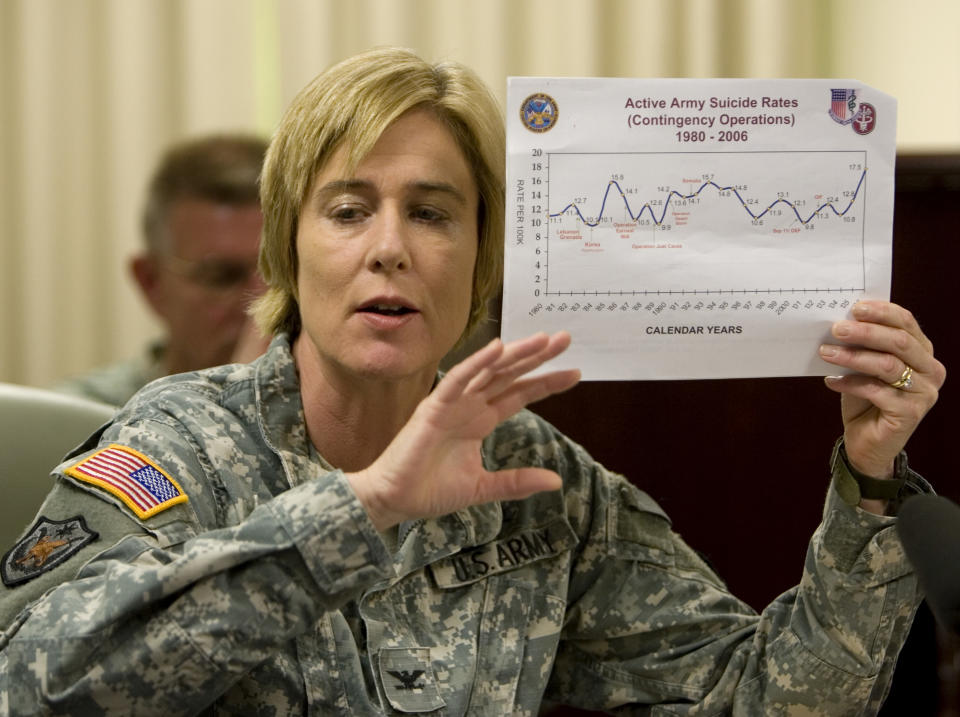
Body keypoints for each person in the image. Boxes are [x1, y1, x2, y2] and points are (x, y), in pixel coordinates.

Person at [0, 47, 945, 715]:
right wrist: (361, 509)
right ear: (289, 245)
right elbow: (32, 687)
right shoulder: (180, 441)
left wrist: (867, 481)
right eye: (347, 209)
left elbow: (757, 698)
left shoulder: (535, 478)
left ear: (485, 258)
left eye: (433, 213)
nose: (389, 249)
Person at [54, 134, 270, 407]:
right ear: (151, 283)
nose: (262, 305)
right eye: (221, 277)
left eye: (282, 273)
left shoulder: (335, 423)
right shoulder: (79, 422)